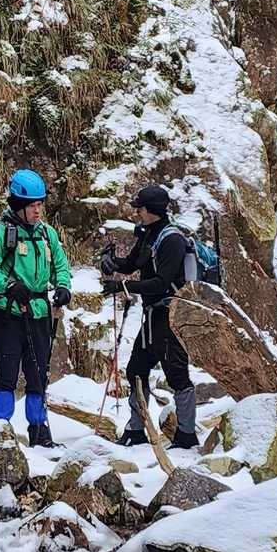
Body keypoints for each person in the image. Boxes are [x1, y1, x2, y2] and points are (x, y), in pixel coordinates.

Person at [0, 170, 71, 447]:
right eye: (32, 206)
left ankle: (39, 431)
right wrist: (8, 285)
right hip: (8, 314)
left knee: (38, 374)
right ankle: (1, 431)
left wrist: (63, 286)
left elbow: (60, 265)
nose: (37, 211)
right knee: (6, 373)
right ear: (18, 206)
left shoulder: (47, 234)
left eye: (40, 204)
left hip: (39, 313)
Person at [102, 184, 198, 449]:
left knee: (177, 375)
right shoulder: (149, 235)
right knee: (136, 370)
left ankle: (186, 435)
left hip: (171, 316)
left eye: (140, 208)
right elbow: (132, 264)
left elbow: (161, 282)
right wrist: (113, 262)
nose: (137, 212)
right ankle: (136, 429)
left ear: (151, 210)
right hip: (152, 317)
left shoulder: (172, 240)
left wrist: (123, 286)